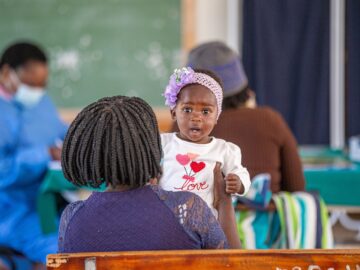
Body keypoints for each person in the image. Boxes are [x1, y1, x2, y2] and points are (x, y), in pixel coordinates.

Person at [58, 96, 241, 252]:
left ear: (91, 153)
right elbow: (234, 265)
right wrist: (224, 201)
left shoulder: (72, 218)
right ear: (152, 148)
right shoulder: (189, 209)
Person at [185, 41, 305, 193]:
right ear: (243, 87)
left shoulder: (183, 126)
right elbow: (296, 186)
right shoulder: (270, 119)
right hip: (263, 215)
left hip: (202, 215)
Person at [0, 41, 68, 264]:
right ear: (7, 72)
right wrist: (44, 154)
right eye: (30, 84)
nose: (37, 91)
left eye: (42, 85)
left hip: (48, 202)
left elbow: (60, 131)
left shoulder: (41, 102)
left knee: (86, 236)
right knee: (62, 253)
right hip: (12, 212)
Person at [161, 67, 251, 215]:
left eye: (205, 111)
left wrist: (238, 183)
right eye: (187, 110)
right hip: (168, 222)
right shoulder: (163, 144)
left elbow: (241, 173)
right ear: (173, 112)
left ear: (217, 116)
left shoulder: (224, 150)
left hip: (206, 227)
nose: (196, 118)